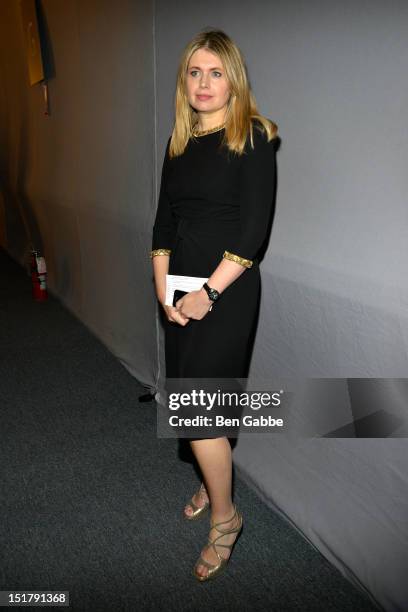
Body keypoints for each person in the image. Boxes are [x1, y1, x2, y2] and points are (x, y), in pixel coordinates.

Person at [150, 29, 278, 581]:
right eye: (194, 72)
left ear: (233, 80)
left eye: (215, 72)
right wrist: (163, 285)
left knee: (200, 410)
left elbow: (252, 234)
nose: (203, 83)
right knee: (196, 399)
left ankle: (226, 519)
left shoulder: (250, 135)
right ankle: (211, 477)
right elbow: (163, 222)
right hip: (180, 288)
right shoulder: (178, 141)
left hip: (226, 290)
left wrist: (208, 293)